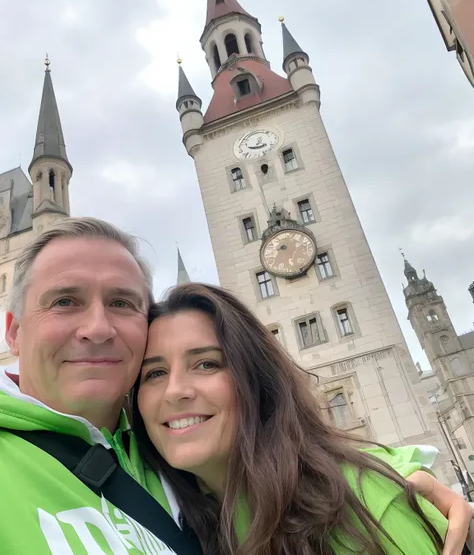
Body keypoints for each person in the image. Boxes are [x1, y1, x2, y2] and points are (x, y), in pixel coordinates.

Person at [134, 282, 474, 555]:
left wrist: (386, 482)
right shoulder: (174, 516)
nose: (174, 391)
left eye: (207, 363)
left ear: (257, 379)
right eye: (155, 373)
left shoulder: (365, 508)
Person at [0, 217, 202, 555]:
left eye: (121, 303)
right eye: (64, 301)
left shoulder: (194, 457)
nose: (97, 328)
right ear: (14, 333)